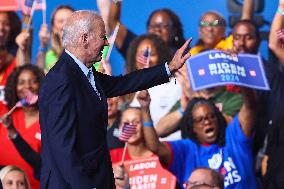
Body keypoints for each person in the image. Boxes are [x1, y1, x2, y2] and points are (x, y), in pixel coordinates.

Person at [39, 10, 191, 189]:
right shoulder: (61, 80)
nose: (106, 42)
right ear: (84, 39)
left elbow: (123, 83)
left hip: (96, 178)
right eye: (102, 36)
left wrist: (169, 67)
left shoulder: (83, 72)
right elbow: (62, 149)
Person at [138, 84, 258, 189]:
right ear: (193, 127)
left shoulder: (234, 137)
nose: (207, 122)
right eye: (200, 119)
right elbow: (155, 147)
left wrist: (242, 78)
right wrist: (144, 109)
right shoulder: (186, 150)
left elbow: (251, 106)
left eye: (211, 116)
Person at [0, 64, 44, 189]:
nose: (27, 86)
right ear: (14, 86)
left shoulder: (49, 120)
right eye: (21, 82)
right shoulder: (6, 115)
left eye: (33, 82)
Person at [108, 2, 185, 58]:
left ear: (174, 30)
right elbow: (113, 22)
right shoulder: (137, 49)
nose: (157, 29)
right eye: (153, 26)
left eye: (163, 26)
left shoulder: (183, 56)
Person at [36, 5, 74, 72]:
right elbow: (38, 74)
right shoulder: (49, 56)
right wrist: (43, 45)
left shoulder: (91, 53)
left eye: (70, 20)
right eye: (60, 21)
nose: (65, 24)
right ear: (54, 28)